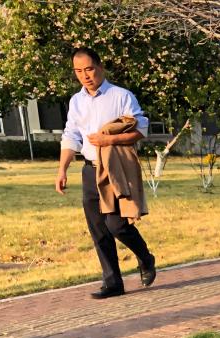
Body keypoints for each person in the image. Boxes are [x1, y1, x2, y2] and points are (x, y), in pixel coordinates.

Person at [56, 47, 156, 299]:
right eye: (78, 71)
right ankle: (112, 283)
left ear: (100, 67)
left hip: (114, 169)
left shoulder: (121, 96)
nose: (85, 76)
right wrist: (62, 169)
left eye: (89, 69)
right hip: (89, 170)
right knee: (98, 229)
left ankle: (145, 257)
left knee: (117, 225)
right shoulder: (76, 101)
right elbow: (71, 136)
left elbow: (140, 130)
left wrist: (109, 140)